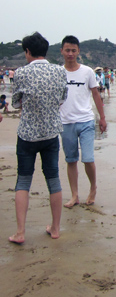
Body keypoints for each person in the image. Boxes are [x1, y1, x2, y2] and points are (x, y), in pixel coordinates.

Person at [8, 32, 68, 244]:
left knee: (23, 180)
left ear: (27, 51)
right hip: (51, 133)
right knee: (53, 179)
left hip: (27, 134)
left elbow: (16, 103)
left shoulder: (21, 73)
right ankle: (55, 228)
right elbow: (62, 98)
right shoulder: (59, 71)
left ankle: (20, 232)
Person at [59, 36, 107, 208]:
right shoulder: (58, 72)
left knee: (87, 158)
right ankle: (74, 195)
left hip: (86, 120)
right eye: (67, 50)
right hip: (66, 122)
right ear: (62, 51)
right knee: (71, 160)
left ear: (78, 51)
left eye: (73, 50)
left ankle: (93, 187)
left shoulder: (87, 72)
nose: (70, 54)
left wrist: (102, 117)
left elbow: (95, 94)